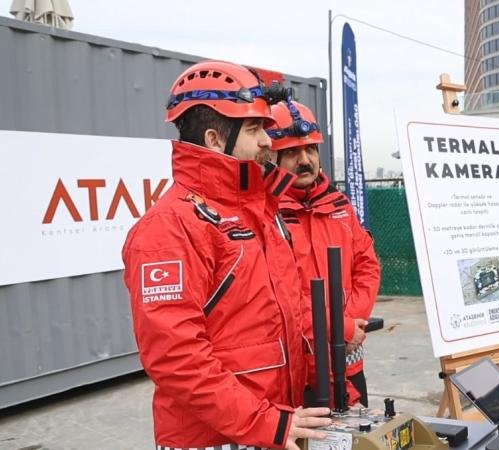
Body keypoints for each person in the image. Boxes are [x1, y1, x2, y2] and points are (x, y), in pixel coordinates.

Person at [122, 60, 332, 449]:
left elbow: (289, 317)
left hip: (273, 425)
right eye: (254, 129)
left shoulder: (262, 212)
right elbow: (176, 358)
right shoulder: (169, 227)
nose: (268, 141)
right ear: (215, 139)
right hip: (214, 438)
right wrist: (265, 423)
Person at [267, 98, 381, 407]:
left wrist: (351, 322)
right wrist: (341, 327)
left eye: (310, 149)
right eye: (292, 152)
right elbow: (282, 295)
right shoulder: (266, 214)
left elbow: (367, 266)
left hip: (348, 361)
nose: (304, 160)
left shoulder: (339, 206)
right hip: (298, 373)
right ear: (272, 157)